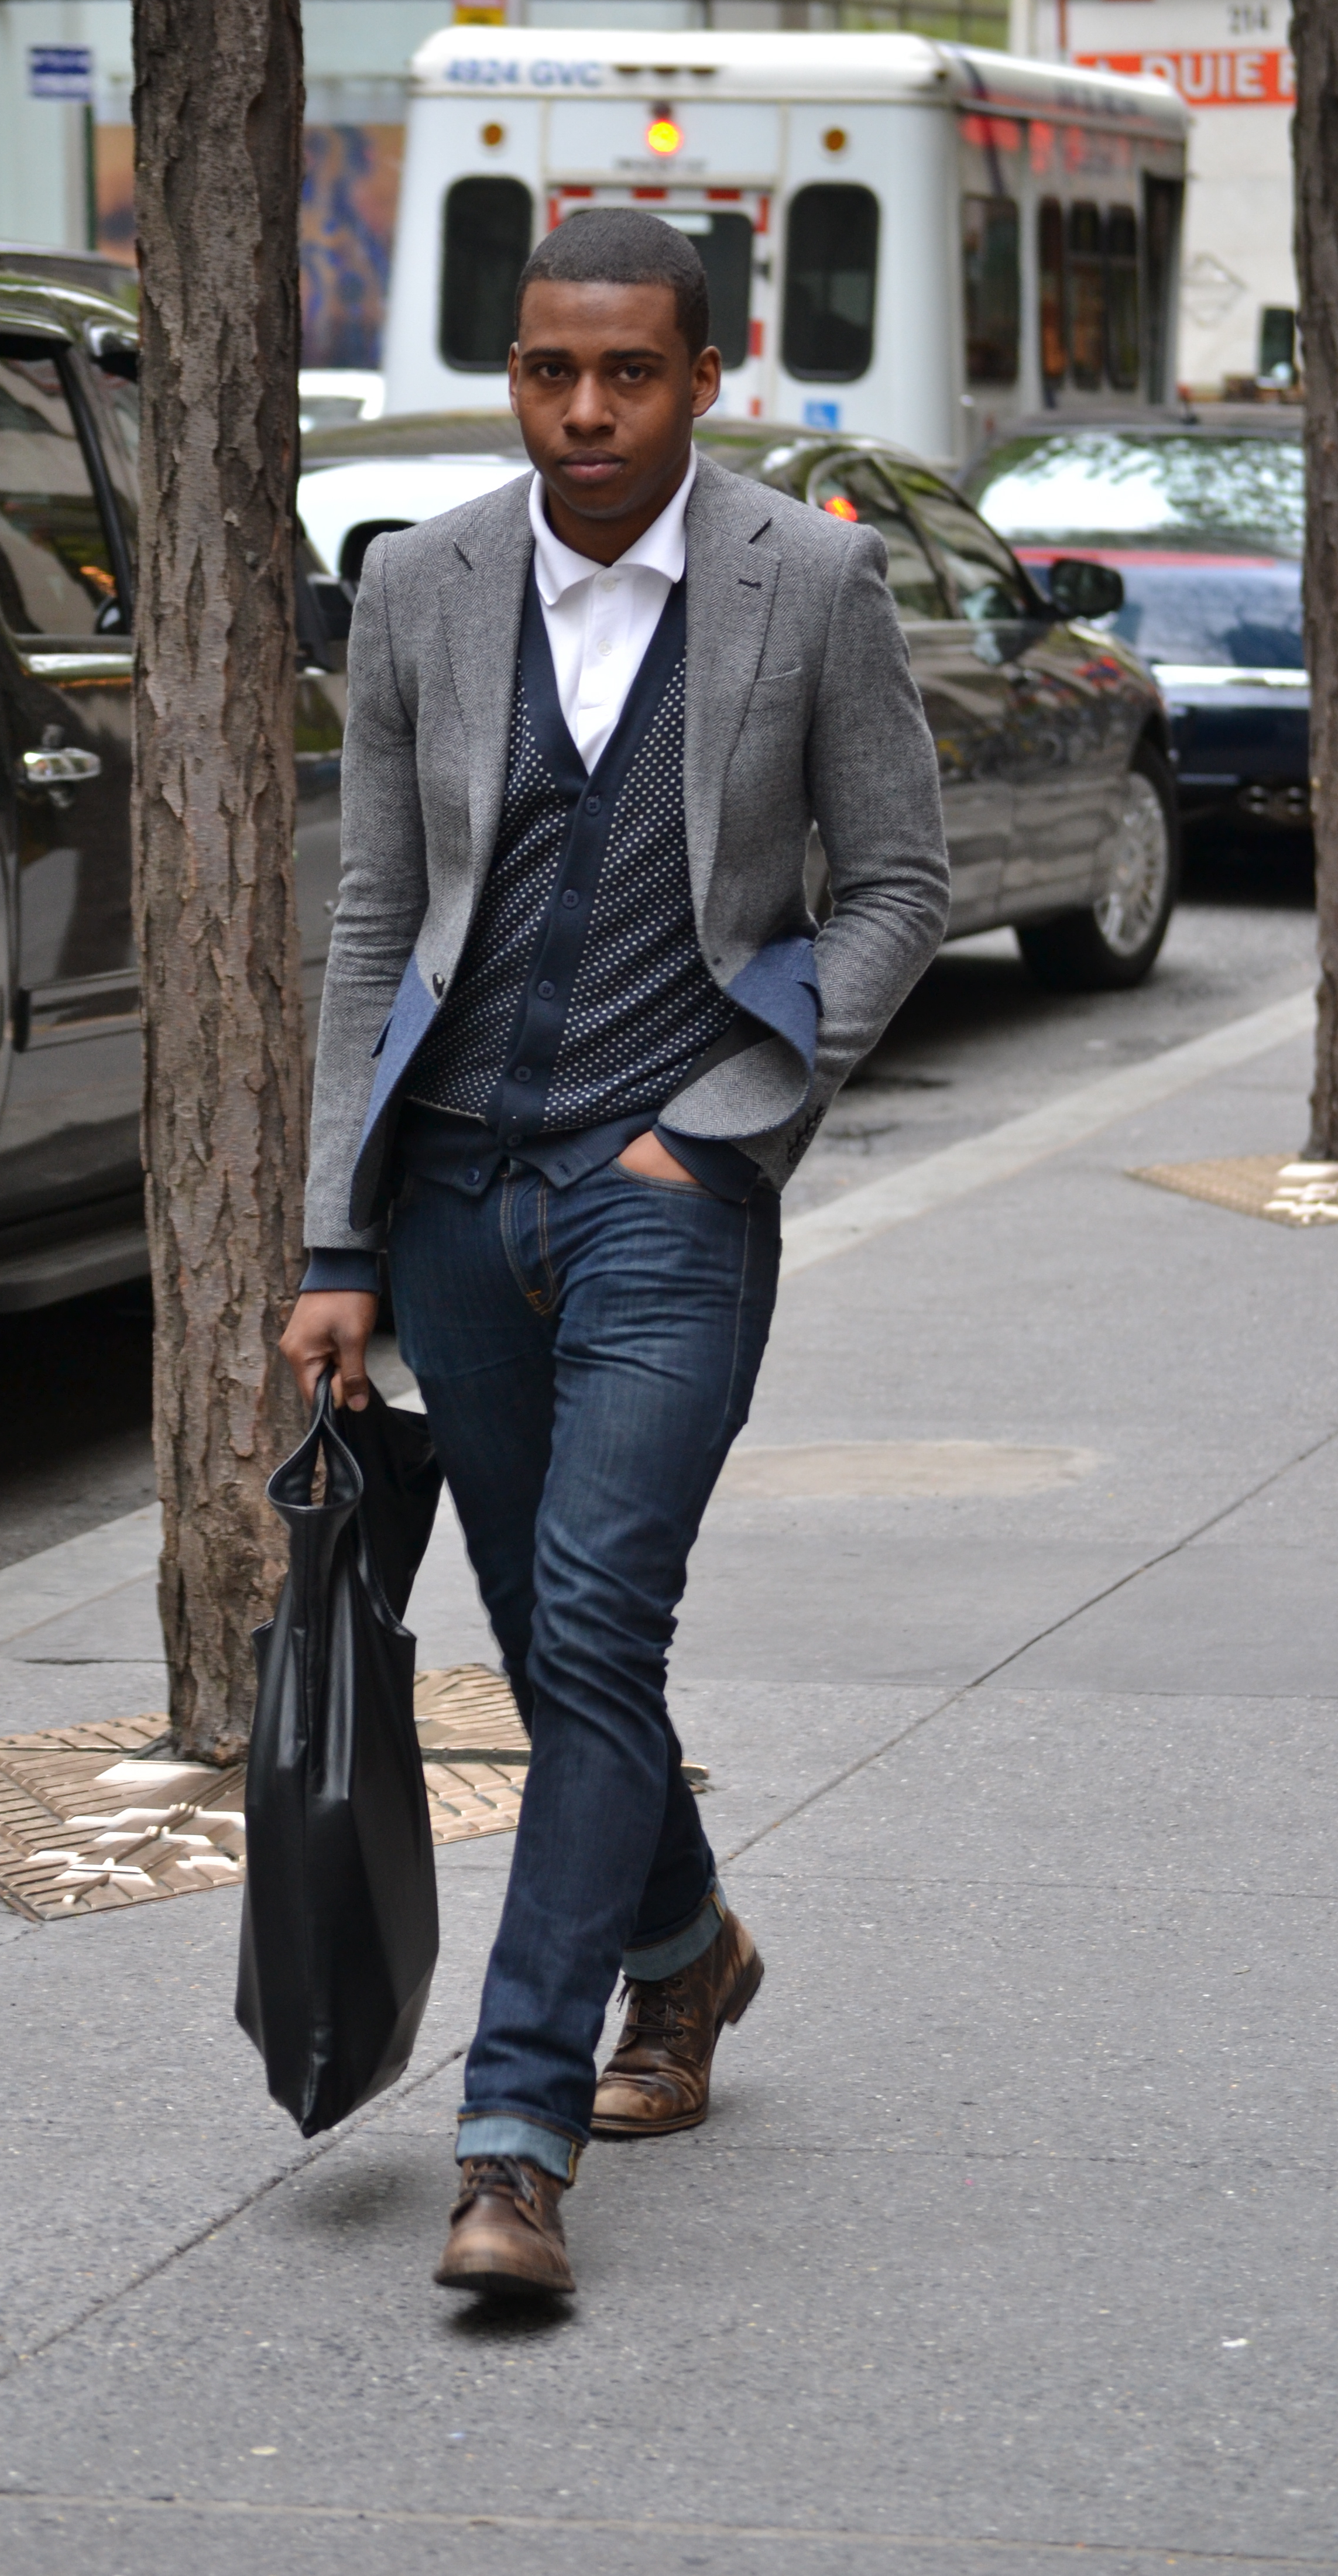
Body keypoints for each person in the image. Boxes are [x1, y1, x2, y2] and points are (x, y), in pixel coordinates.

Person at [279, 207, 949, 2298]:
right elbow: (376, 918)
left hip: (670, 1195)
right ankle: (687, 1947)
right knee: (557, 1644)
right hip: (455, 1199)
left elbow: (899, 884)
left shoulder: (809, 580)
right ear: (514, 369)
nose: (586, 411)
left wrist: (725, 1126)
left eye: (630, 373)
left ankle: (513, 2141)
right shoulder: (422, 580)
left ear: (704, 378)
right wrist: (336, 1234)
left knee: (594, 1623)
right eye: (551, 370)